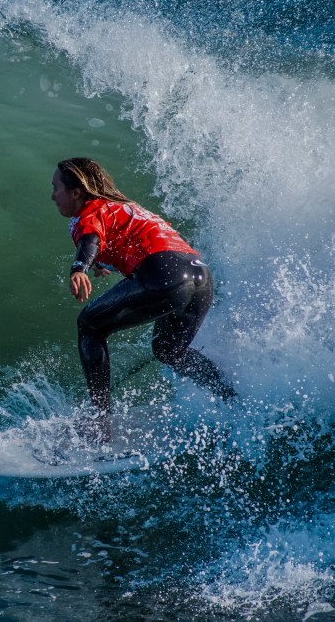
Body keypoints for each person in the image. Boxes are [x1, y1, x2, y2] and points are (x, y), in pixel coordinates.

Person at [51, 157, 237, 443]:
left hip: (165, 273)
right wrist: (101, 263)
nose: (52, 196)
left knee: (89, 326)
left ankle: (100, 423)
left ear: (76, 192)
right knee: (168, 350)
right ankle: (232, 398)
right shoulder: (122, 207)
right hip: (200, 276)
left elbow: (90, 239)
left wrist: (80, 268)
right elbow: (127, 238)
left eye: (56, 188)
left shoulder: (89, 213)